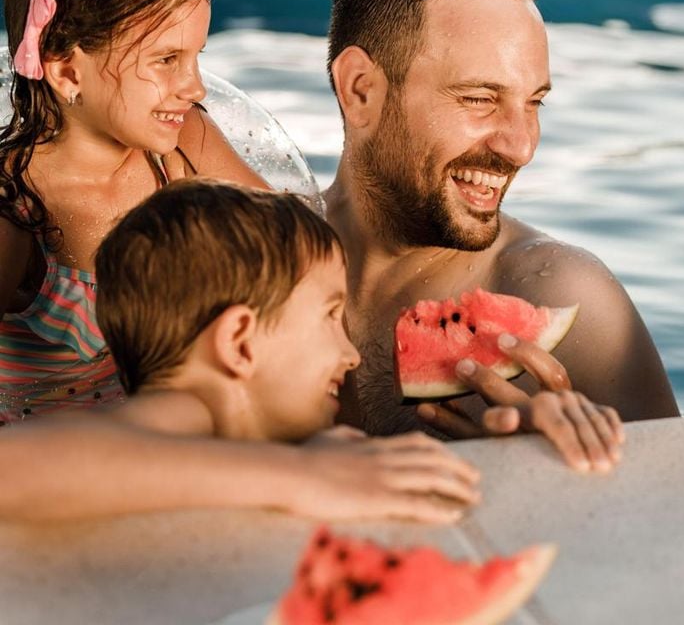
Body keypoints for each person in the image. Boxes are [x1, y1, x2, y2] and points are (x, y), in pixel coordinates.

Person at [324, 0, 679, 470]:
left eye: (533, 102)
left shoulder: (571, 300)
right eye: (479, 98)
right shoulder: (247, 261)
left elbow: (676, 512)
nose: (522, 146)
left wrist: (535, 479)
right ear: (361, 90)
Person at [0, 179, 480, 522]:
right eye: (330, 316)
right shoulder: (181, 416)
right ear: (237, 344)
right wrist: (303, 476)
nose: (350, 354)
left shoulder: (233, 447)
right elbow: (14, 468)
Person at [0, 0, 267, 419]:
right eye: (167, 61)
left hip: (172, 438)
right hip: (50, 469)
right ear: (66, 70)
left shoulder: (181, 147)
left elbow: (294, 251)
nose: (195, 87)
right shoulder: (16, 212)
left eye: (196, 57)